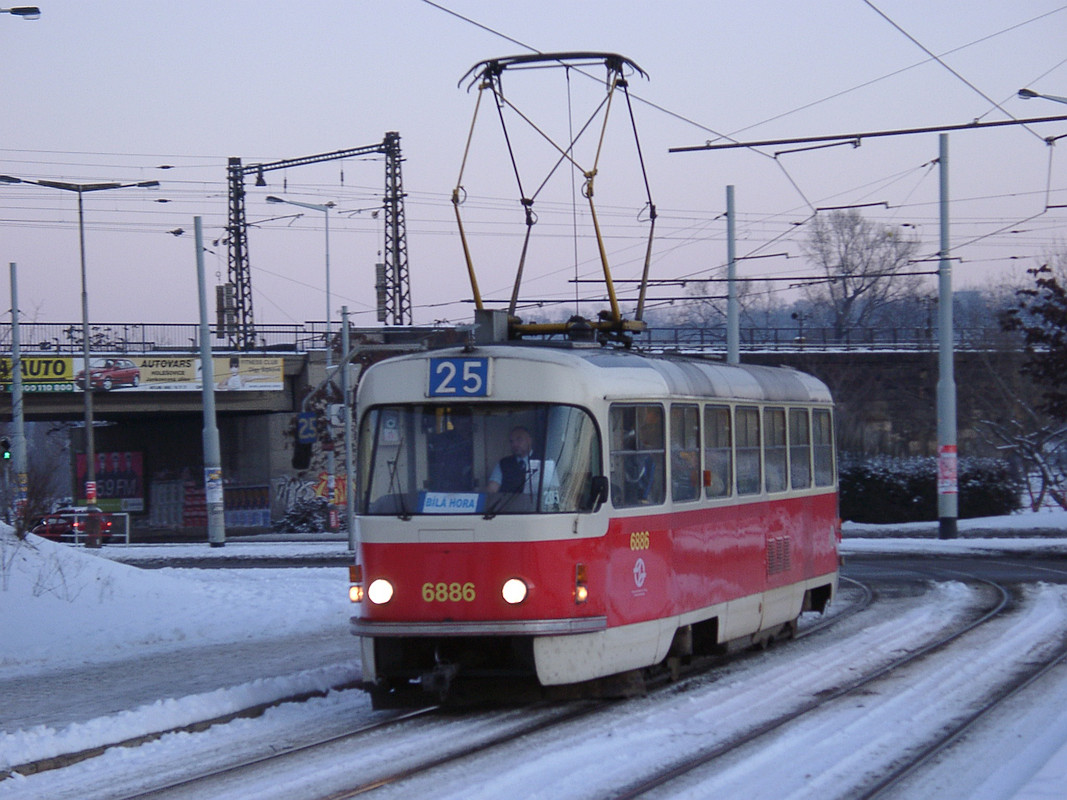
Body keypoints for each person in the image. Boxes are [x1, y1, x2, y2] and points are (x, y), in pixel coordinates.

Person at [487, 426, 534, 493]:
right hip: (509, 503)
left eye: (519, 440)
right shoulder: (503, 463)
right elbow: (492, 488)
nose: (514, 444)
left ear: (529, 440)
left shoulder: (543, 461)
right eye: (512, 441)